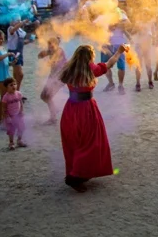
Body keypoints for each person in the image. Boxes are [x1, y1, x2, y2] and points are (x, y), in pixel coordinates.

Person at [58, 43, 128, 192]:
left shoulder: (69, 68)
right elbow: (109, 64)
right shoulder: (90, 69)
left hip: (70, 109)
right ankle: (76, 176)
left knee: (74, 142)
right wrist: (119, 52)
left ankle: (77, 171)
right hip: (86, 110)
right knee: (90, 143)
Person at [38, 37, 67, 124]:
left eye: (52, 45)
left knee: (47, 96)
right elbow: (39, 56)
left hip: (59, 78)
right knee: (43, 96)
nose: (50, 47)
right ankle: (54, 110)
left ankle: (53, 117)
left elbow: (54, 59)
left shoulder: (59, 51)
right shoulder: (51, 51)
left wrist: (47, 57)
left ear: (57, 44)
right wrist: (43, 54)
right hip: (53, 77)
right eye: (49, 45)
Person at [102, 11, 129, 94]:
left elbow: (129, 25)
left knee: (121, 66)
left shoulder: (122, 14)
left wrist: (119, 23)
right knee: (104, 66)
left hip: (121, 44)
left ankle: (121, 85)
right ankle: (111, 83)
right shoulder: (103, 15)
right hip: (106, 44)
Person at [7, 19, 33, 96]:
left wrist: (29, 40)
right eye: (16, 20)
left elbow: (21, 42)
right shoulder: (10, 28)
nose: (18, 21)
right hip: (13, 53)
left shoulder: (20, 30)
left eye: (19, 19)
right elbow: (13, 30)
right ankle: (16, 92)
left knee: (16, 74)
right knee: (20, 74)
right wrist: (22, 22)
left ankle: (14, 92)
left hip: (19, 53)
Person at [1, 78, 27, 151]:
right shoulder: (5, 97)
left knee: (21, 128)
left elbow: (21, 103)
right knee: (11, 130)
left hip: (18, 115)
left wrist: (21, 111)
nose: (14, 86)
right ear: (6, 87)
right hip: (10, 116)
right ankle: (11, 143)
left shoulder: (19, 94)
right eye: (11, 85)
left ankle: (19, 140)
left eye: (15, 84)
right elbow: (4, 108)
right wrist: (7, 117)